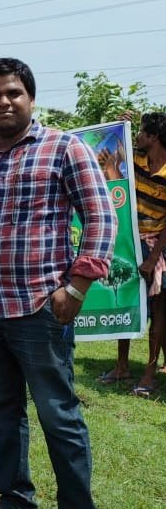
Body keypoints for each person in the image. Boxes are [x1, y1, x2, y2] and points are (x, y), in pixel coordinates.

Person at [0, 57, 116, 509]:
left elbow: (101, 218)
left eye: (13, 93)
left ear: (31, 98)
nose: (4, 102)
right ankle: (15, 497)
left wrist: (76, 288)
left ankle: (75, 503)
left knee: (58, 415)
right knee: (2, 414)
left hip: (40, 311)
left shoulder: (64, 149)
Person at [99, 112, 166, 396]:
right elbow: (114, 152)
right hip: (130, 239)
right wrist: (120, 124)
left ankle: (150, 372)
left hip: (158, 245)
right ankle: (122, 364)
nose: (137, 135)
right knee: (125, 299)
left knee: (160, 310)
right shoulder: (136, 159)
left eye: (140, 131)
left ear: (152, 137)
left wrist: (152, 259)